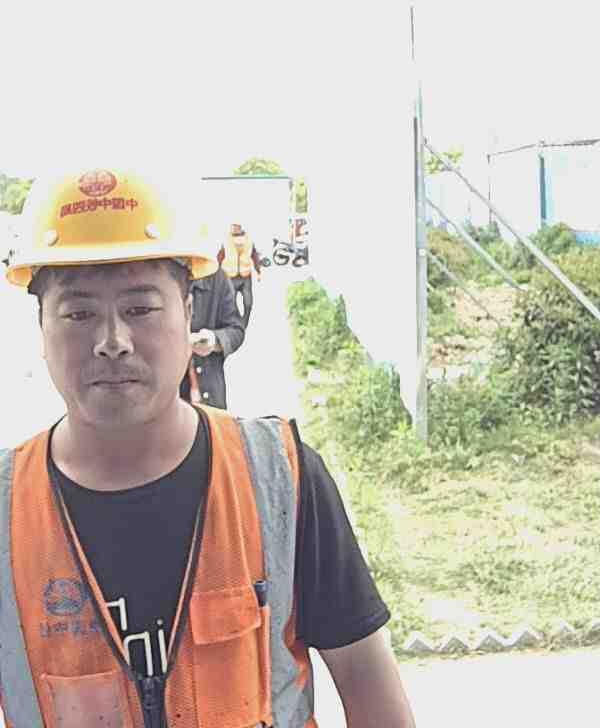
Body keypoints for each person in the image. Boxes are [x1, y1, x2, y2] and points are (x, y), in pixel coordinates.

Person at [0, 167, 417, 728]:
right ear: (41, 329)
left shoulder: (280, 478)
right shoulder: (6, 511)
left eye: (140, 309)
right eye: (79, 314)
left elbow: (368, 683)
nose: (112, 342)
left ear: (188, 313)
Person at [179, 265, 245, 409]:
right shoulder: (157, 276)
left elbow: (236, 330)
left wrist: (214, 340)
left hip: (209, 392)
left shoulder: (216, 277)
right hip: (167, 398)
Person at [217, 222, 262, 329]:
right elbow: (220, 257)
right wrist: (217, 272)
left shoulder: (249, 241)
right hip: (230, 277)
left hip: (245, 277)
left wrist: (259, 271)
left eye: (235, 226)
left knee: (248, 303)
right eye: (232, 226)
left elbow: (254, 256)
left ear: (240, 228)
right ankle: (235, 324)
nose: (232, 228)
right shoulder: (226, 241)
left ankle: (243, 324)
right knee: (230, 303)